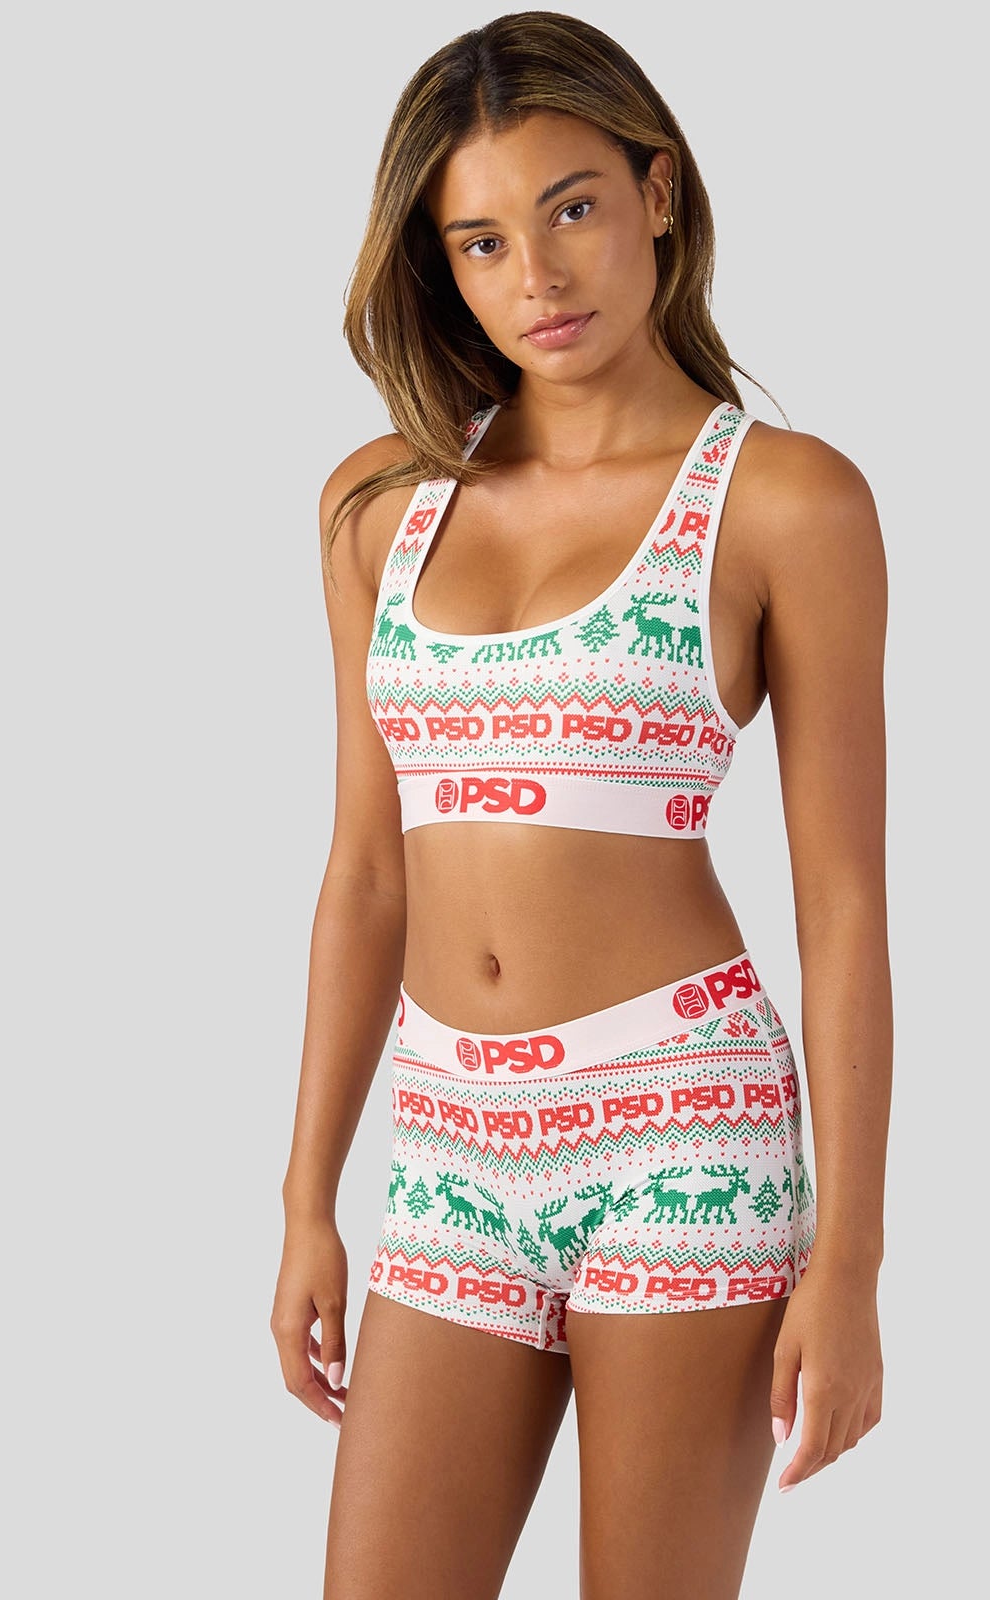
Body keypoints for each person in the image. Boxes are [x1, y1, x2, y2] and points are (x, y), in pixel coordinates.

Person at [271, 12, 891, 1597]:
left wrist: (851, 1264)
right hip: (449, 1143)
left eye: (571, 208)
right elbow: (365, 873)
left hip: (680, 1123)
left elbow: (842, 904)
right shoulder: (380, 508)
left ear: (656, 195)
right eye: (481, 241)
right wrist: (306, 1198)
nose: (537, 277)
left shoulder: (784, 499)